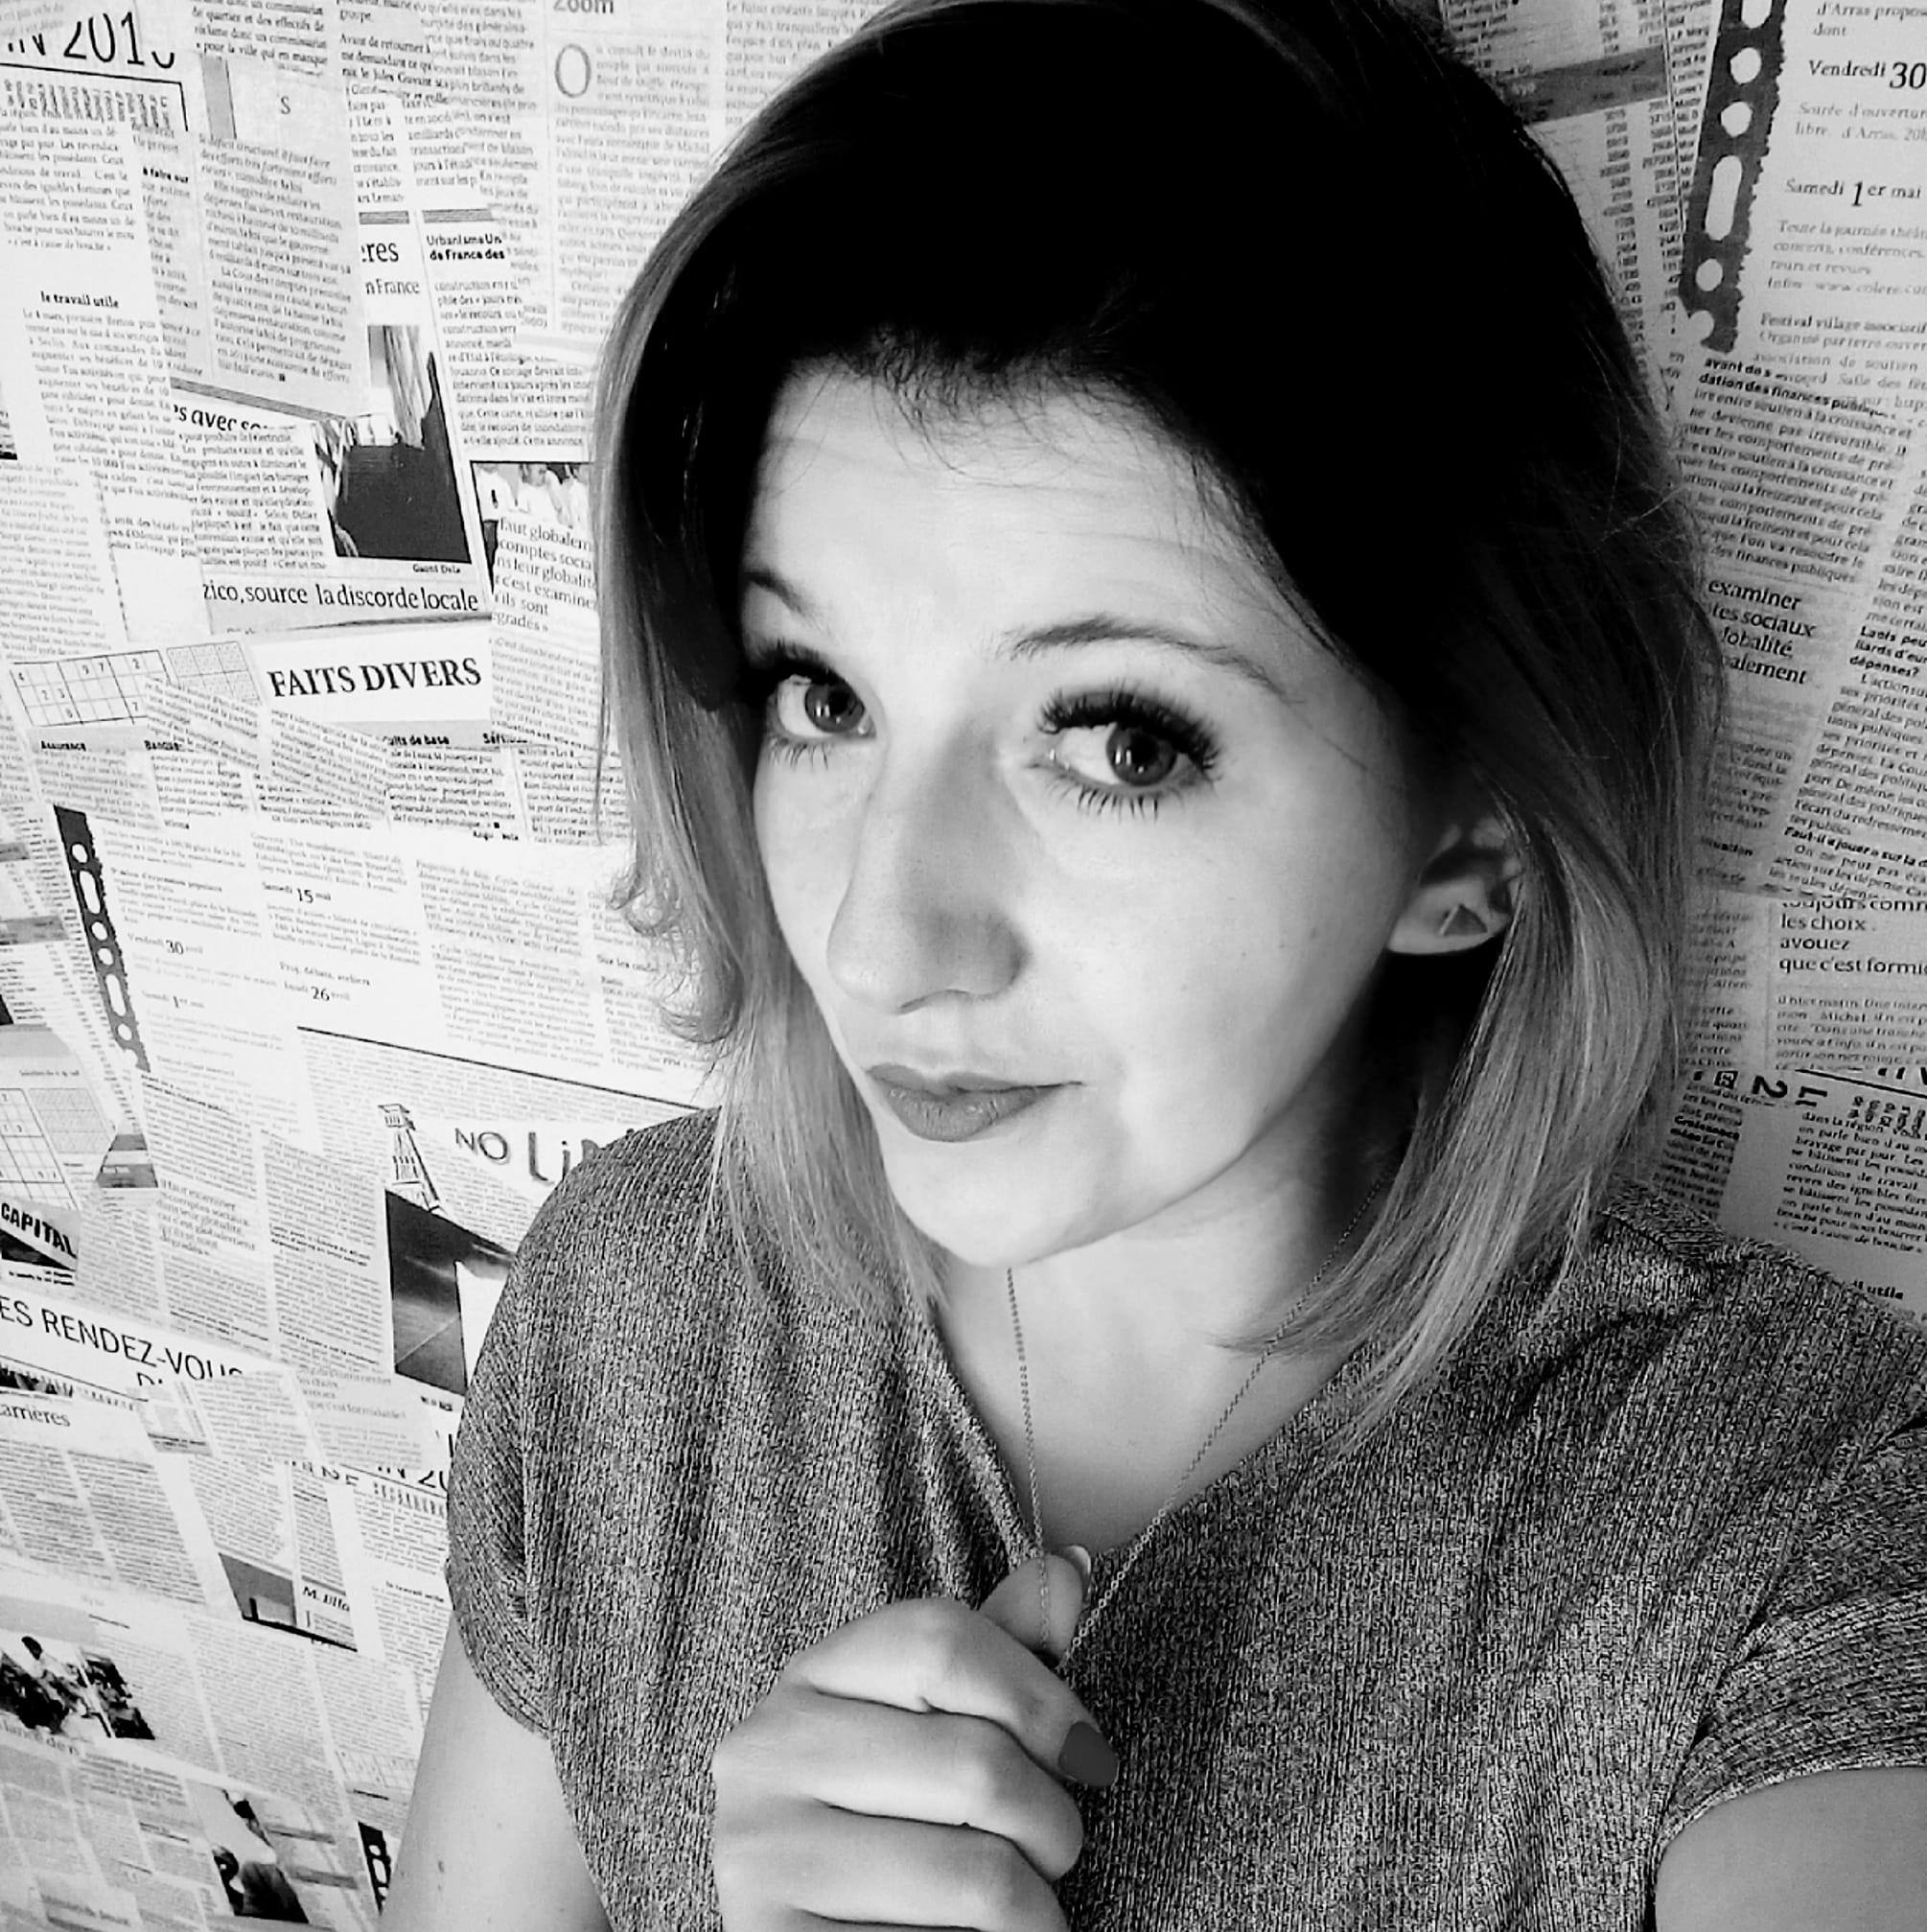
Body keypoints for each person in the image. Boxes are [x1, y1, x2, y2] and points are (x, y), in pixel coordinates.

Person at [383, 1, 1927, 1927]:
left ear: (1472, 835)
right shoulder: (629, 1313)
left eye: (1117, 739)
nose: (880, 937)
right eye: (824, 695)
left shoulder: (1781, 1522)